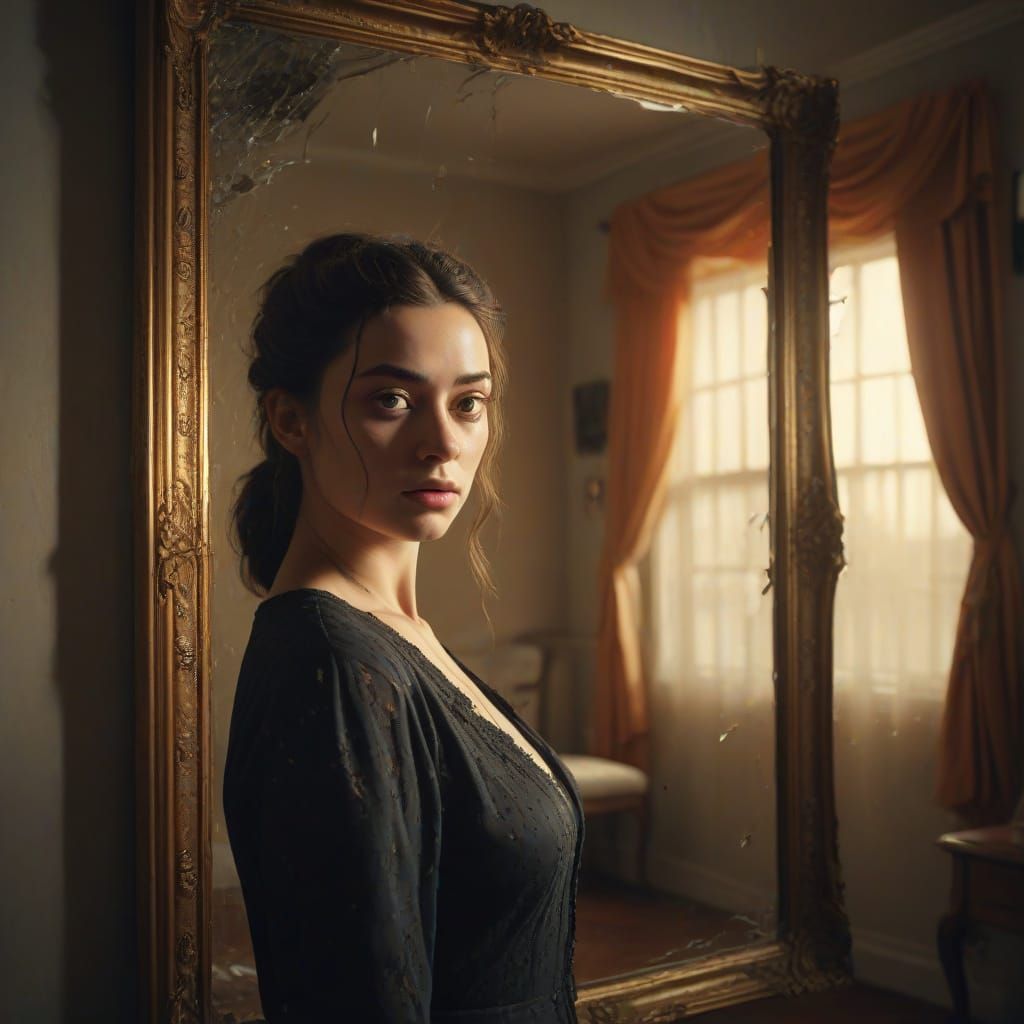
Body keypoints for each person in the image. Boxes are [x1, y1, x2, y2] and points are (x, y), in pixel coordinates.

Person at [222, 232, 584, 1023]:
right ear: (291, 419)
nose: (443, 443)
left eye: (468, 403)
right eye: (391, 399)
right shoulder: (333, 664)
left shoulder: (396, 636)